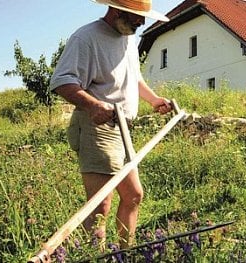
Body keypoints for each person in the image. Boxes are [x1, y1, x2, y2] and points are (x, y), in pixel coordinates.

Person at [49, 0, 172, 249]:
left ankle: (125, 252)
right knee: (100, 204)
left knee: (134, 195)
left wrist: (153, 100)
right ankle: (97, 255)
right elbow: (62, 81)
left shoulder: (128, 38)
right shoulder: (86, 38)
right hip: (98, 127)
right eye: (137, 16)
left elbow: (133, 78)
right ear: (117, 11)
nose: (142, 22)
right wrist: (93, 105)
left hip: (123, 130)